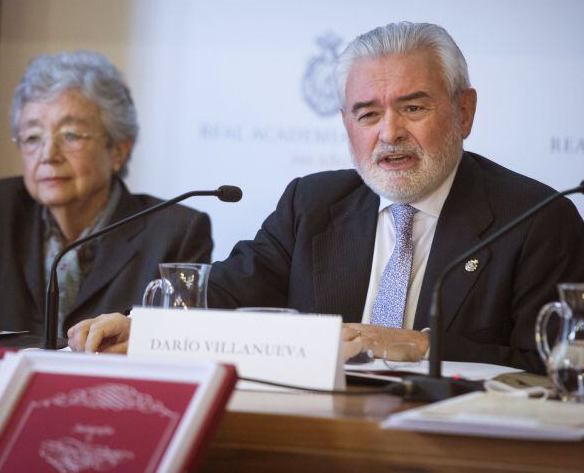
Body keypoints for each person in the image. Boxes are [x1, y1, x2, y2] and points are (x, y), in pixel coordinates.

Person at [67, 23, 584, 374]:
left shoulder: (535, 220)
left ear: (464, 112)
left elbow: (551, 367)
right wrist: (142, 327)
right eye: (367, 114)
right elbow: (224, 296)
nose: (389, 133)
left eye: (413, 107)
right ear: (346, 125)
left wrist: (422, 346)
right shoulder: (311, 204)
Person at [0, 51, 213, 337]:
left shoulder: (175, 233)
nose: (48, 155)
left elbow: (179, 339)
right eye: (32, 137)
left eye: (70, 135)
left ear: (118, 149)